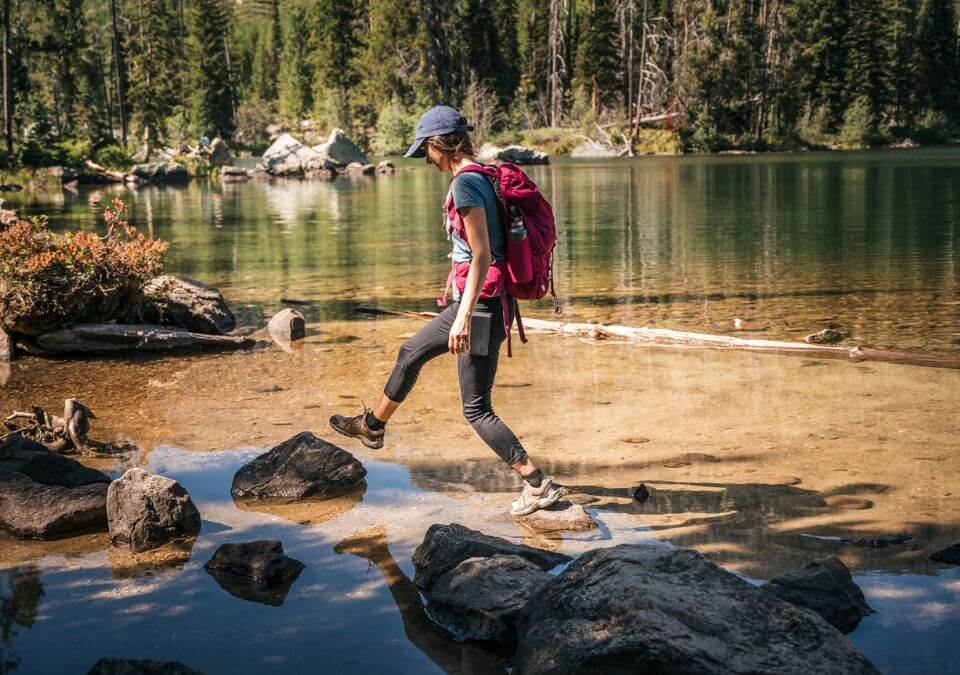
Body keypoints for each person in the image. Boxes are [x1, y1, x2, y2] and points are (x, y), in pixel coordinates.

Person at [330, 105, 562, 516]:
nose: (425, 158)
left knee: (475, 409)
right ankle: (373, 427)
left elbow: (482, 255)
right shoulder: (484, 175)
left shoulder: (466, 185)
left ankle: (536, 482)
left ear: (442, 144)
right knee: (411, 353)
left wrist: (462, 316)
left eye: (426, 150)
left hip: (481, 305)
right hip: (493, 303)